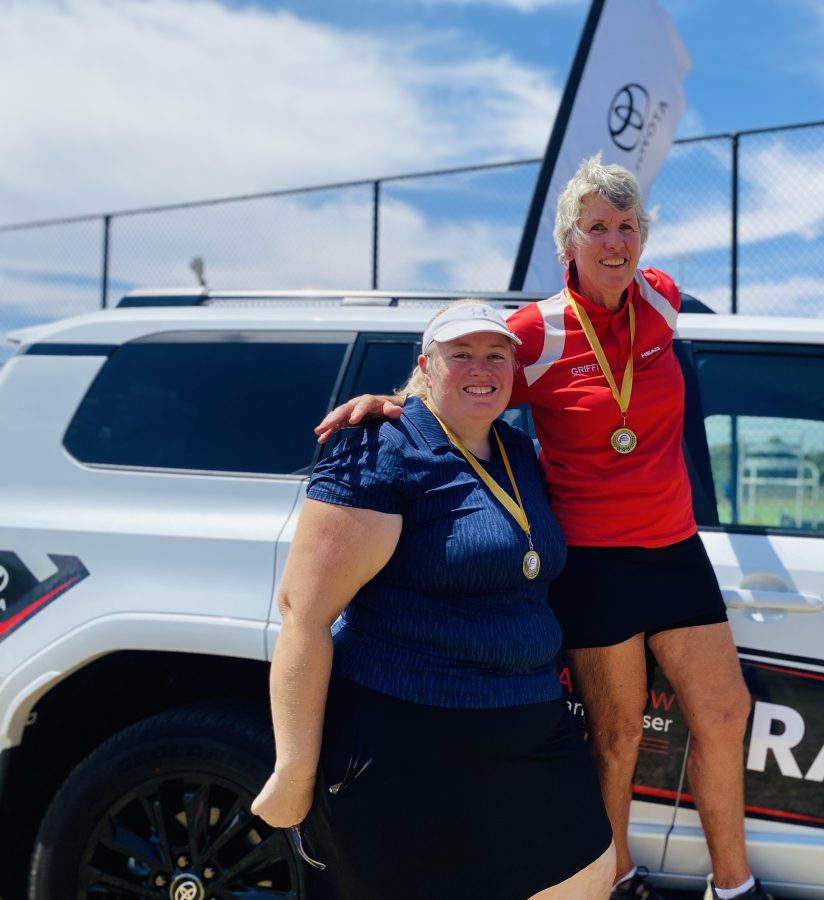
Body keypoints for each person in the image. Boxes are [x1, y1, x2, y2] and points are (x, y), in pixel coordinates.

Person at [317, 157, 772, 900]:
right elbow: (467, 377)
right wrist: (390, 398)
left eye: (627, 226)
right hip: (595, 561)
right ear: (570, 242)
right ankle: (617, 877)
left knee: (725, 710)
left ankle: (734, 886)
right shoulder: (537, 331)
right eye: (598, 227)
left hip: (675, 551)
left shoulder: (660, 301)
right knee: (619, 731)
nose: (615, 241)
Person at [253, 300, 615, 899]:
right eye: (461, 354)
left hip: (529, 723)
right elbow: (304, 613)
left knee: (588, 870)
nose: (482, 367)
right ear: (427, 365)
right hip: (409, 726)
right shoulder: (381, 447)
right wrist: (295, 768)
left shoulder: (518, 452)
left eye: (496, 355)